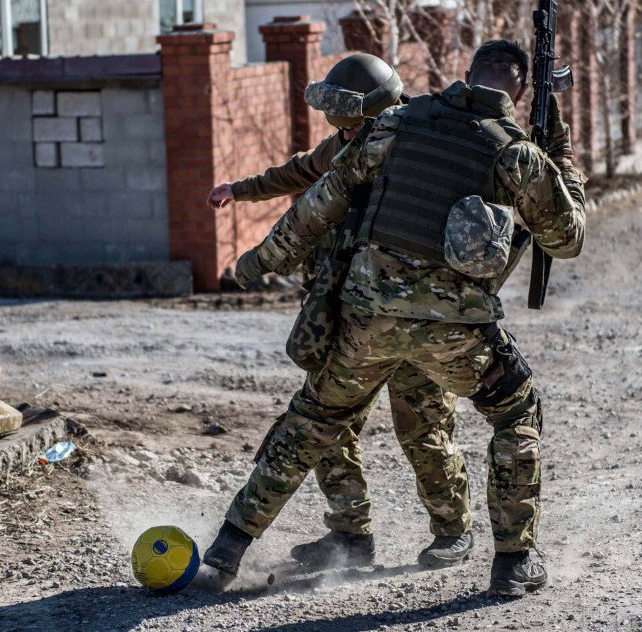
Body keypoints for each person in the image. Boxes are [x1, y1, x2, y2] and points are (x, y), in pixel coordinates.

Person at [198, 40, 586, 597]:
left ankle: (228, 547)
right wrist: (560, 154)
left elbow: (320, 201)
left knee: (312, 418)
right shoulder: (518, 153)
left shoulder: (398, 124)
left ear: (466, 73)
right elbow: (567, 239)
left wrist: (257, 263)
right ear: (521, 91)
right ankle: (513, 561)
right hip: (454, 331)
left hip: (367, 319)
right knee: (515, 413)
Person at [207, 54, 475, 570]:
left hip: (423, 315)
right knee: (330, 426)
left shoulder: (423, 145)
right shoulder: (350, 144)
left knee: (424, 429)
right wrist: (239, 190)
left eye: (353, 126)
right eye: (343, 128)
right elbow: (302, 170)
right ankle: (350, 536)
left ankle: (452, 531)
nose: (346, 136)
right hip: (355, 319)